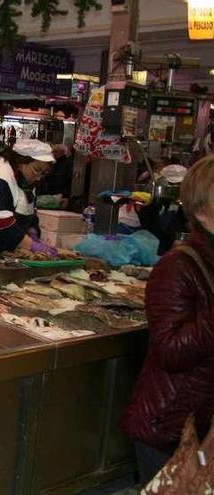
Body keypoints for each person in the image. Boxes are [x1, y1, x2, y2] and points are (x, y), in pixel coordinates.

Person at [121, 156, 214, 484]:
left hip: (202, 424)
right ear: (201, 211)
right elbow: (171, 350)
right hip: (170, 425)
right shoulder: (178, 266)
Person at [36, 143, 73, 209]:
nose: (54, 153)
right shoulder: (51, 162)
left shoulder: (67, 163)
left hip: (58, 194)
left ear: (63, 152)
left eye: (56, 151)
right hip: (49, 193)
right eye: (53, 151)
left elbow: (67, 180)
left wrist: (65, 195)